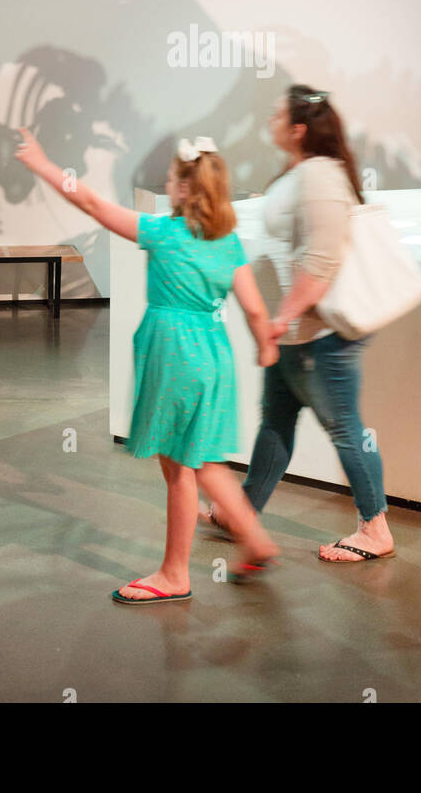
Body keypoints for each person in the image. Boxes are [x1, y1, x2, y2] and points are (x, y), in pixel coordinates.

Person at [14, 127, 281, 603]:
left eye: (172, 177)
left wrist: (43, 165)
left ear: (182, 187)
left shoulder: (162, 232)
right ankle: (255, 539)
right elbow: (257, 309)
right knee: (202, 460)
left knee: (179, 468)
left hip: (174, 354)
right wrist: (266, 346)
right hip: (214, 357)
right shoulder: (228, 242)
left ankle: (174, 574)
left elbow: (93, 205)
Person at [201, 84, 395, 563]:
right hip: (293, 334)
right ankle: (241, 513)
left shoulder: (321, 177)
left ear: (298, 129)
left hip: (318, 337)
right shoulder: (302, 173)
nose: (268, 120)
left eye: (276, 115)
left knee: (346, 428)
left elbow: (322, 260)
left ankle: (375, 530)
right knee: (276, 423)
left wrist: (282, 317)